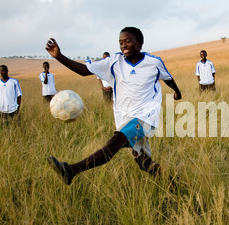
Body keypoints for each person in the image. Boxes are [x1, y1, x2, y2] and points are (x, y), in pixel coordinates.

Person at [45, 27, 182, 185]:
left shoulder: (154, 62)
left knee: (115, 142)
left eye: (128, 41)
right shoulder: (114, 62)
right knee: (144, 163)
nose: (123, 45)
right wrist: (59, 56)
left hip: (146, 118)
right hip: (124, 118)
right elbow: (84, 71)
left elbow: (168, 78)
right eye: (120, 42)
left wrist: (177, 93)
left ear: (140, 43)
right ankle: (175, 185)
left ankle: (71, 170)